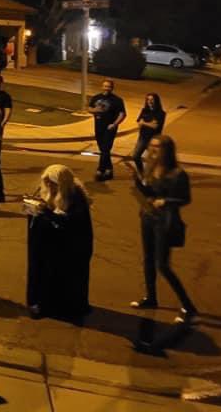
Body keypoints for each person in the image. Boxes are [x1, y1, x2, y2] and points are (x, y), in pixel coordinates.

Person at [130, 135, 198, 324]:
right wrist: (136, 179)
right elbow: (149, 193)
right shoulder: (151, 169)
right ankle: (151, 297)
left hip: (165, 222)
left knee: (163, 265)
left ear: (167, 150)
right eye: (151, 146)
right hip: (148, 218)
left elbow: (185, 199)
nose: (152, 150)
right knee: (148, 260)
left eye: (157, 147)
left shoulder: (177, 174)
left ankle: (187, 306)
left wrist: (166, 201)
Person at [26, 165, 93, 321]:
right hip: (51, 245)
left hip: (70, 248)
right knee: (47, 276)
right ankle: (46, 305)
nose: (49, 186)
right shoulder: (46, 191)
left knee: (67, 280)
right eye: (47, 182)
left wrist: (47, 213)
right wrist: (33, 208)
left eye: (53, 183)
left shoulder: (76, 197)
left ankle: (68, 309)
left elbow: (72, 224)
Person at [87, 79, 126, 181]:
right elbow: (89, 108)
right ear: (102, 86)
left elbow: (122, 114)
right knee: (103, 149)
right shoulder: (96, 98)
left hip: (110, 128)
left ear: (112, 88)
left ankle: (100, 170)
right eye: (105, 86)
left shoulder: (117, 100)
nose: (106, 88)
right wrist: (95, 110)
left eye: (108, 86)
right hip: (98, 126)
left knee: (105, 148)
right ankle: (109, 169)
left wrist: (114, 124)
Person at [132, 93, 165, 175]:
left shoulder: (160, 113)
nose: (150, 101)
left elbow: (155, 126)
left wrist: (144, 123)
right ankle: (141, 173)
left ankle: (153, 176)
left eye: (152, 100)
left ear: (156, 101)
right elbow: (139, 122)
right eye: (148, 99)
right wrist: (148, 123)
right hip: (143, 137)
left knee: (152, 160)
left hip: (154, 140)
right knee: (135, 156)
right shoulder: (144, 110)